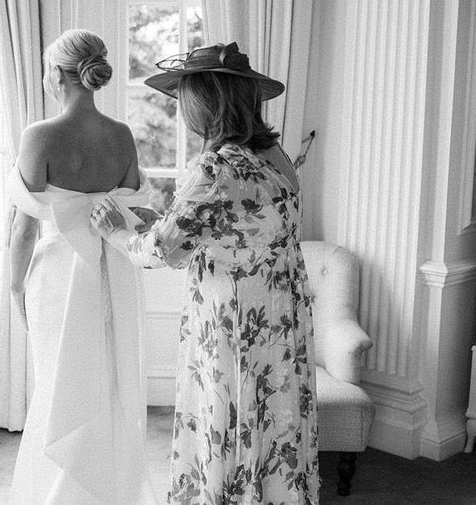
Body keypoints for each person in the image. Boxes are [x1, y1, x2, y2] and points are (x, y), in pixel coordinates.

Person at [91, 42, 319, 504]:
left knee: (227, 420)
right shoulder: (277, 157)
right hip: (279, 318)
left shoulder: (216, 168)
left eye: (186, 99)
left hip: (233, 322)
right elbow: (238, 227)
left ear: (205, 104)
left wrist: (116, 230)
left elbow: (160, 252)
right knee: (273, 422)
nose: (182, 112)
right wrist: (169, 219)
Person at [7, 29, 157, 504]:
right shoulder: (122, 135)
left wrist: (14, 287)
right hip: (115, 272)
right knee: (109, 382)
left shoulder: (40, 136)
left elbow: (24, 230)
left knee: (60, 384)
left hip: (58, 277)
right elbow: (131, 215)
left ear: (56, 74)